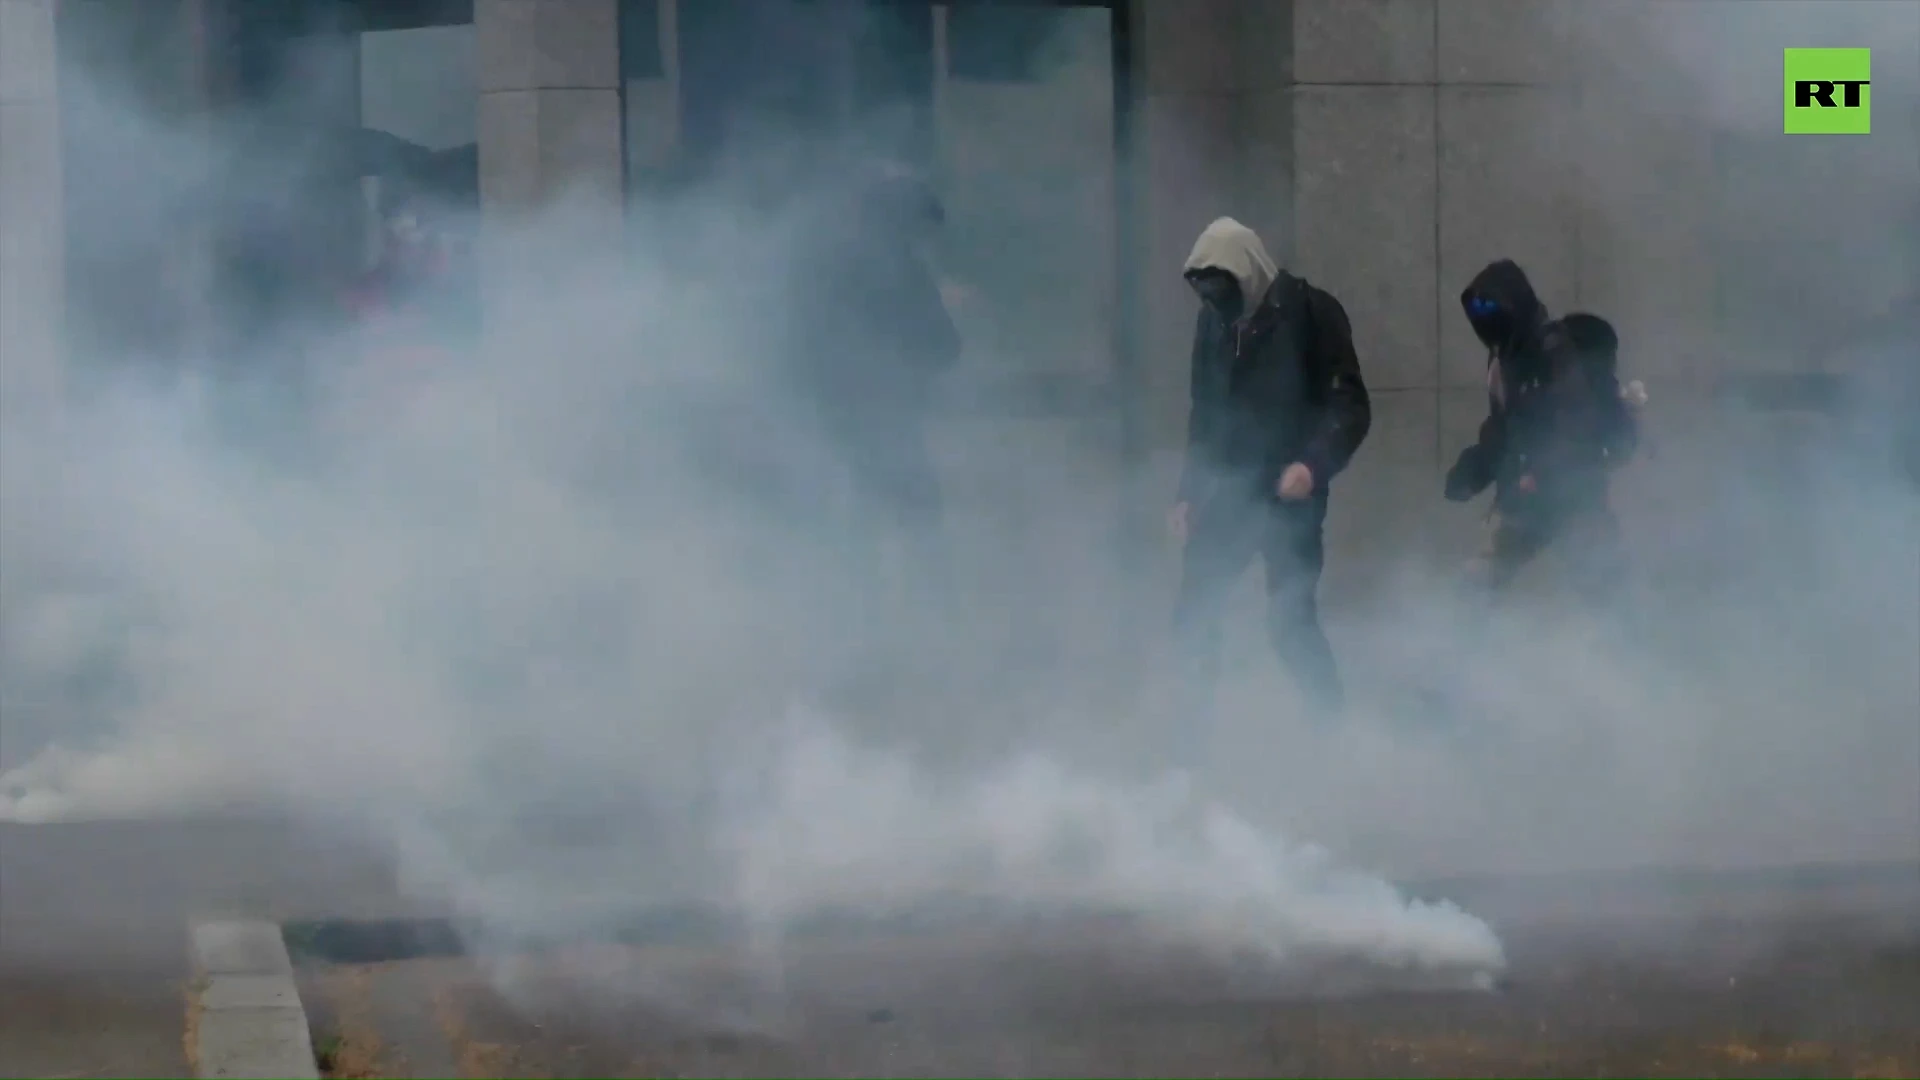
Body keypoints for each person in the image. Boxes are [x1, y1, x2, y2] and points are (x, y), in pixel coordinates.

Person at [1168, 216, 1372, 723]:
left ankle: (1330, 727)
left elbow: (1350, 406)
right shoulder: (1211, 324)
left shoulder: (1312, 313)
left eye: (1223, 290)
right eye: (1206, 293)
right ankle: (1187, 750)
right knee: (1195, 613)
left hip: (1290, 493)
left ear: (1249, 271)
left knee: (1289, 622)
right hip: (1231, 490)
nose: (1215, 303)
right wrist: (1188, 493)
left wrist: (1312, 465)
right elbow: (1206, 413)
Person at [1445, 259, 1640, 607]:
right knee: (1475, 588)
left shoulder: (1555, 352)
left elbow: (1574, 426)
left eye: (1492, 307)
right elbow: (1502, 430)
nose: (1485, 319)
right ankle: (1454, 660)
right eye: (1478, 310)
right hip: (1528, 501)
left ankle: (1645, 659)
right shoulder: (1502, 362)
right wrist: (1473, 471)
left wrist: (1537, 473)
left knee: (1609, 592)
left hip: (1574, 499)